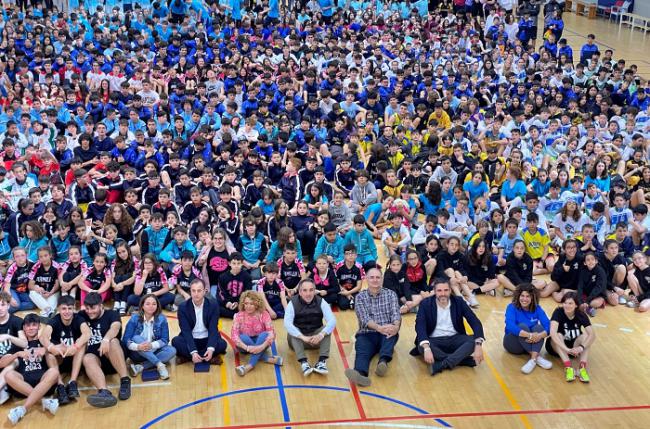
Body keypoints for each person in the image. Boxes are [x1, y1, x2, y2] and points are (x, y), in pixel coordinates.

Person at [412, 280, 485, 375]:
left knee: (473, 341)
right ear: (434, 291)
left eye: (446, 290)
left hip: (456, 338)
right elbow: (420, 325)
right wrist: (426, 348)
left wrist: (479, 345)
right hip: (434, 340)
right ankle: (461, 360)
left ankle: (443, 364)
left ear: (450, 290)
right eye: (439, 291)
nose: (443, 294)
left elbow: (474, 321)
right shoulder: (425, 304)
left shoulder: (459, 301)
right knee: (422, 347)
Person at [344, 268, 401, 387]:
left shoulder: (391, 294)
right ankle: (360, 374)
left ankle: (383, 362)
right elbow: (364, 318)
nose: (375, 280)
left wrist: (396, 326)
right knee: (362, 350)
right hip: (367, 333)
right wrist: (379, 328)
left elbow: (396, 313)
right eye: (372, 277)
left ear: (382, 279)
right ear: (366, 279)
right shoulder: (360, 297)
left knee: (389, 339)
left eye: (378, 277)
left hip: (387, 331)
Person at [4, 314, 60, 425]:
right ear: (23, 328)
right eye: (28, 325)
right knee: (8, 374)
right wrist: (17, 354)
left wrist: (47, 349)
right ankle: (43, 401)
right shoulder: (18, 345)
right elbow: (2, 363)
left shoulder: (44, 341)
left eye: (34, 325)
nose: (30, 328)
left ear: (39, 327)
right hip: (23, 385)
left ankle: (22, 409)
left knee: (54, 372)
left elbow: (61, 352)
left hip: (44, 383)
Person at [79, 292, 131, 408]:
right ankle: (104, 392)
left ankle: (125, 380)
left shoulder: (112, 314)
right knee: (87, 358)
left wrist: (106, 339)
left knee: (112, 342)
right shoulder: (82, 315)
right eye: (87, 308)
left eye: (93, 308)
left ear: (101, 305)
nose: (89, 311)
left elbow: (115, 327)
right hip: (98, 361)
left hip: (114, 356)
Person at [40, 295, 91, 405]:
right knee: (48, 352)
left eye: (70, 308)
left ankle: (73, 382)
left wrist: (75, 346)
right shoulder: (54, 320)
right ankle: (60, 385)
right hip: (60, 358)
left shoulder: (78, 319)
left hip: (75, 358)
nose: (67, 311)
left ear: (74, 309)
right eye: (64, 308)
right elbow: (43, 337)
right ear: (58, 309)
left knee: (82, 344)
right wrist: (52, 347)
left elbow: (87, 333)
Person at [284, 278, 337, 376]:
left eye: (311, 290)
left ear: (315, 291)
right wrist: (302, 337)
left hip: (316, 340)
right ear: (299, 292)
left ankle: (321, 362)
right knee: (293, 331)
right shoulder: (292, 303)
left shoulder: (321, 301)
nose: (308, 294)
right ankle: (304, 363)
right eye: (305, 290)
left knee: (326, 329)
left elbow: (332, 320)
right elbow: (287, 323)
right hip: (299, 341)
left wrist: (321, 335)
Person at [171, 279, 228, 366]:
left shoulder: (213, 305)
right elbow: (186, 331)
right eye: (193, 291)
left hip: (207, 338)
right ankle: (207, 357)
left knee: (222, 344)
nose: (196, 294)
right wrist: (193, 351)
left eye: (199, 290)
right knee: (175, 342)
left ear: (204, 291)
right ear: (190, 291)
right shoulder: (183, 307)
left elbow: (213, 328)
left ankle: (189, 357)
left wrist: (210, 348)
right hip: (191, 338)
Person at [122, 294, 176, 380]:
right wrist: (138, 346)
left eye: (154, 304)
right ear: (142, 306)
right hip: (138, 353)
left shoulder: (162, 319)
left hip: (154, 351)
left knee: (172, 350)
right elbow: (126, 339)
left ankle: (140, 367)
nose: (151, 306)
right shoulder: (134, 318)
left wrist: (151, 345)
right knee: (136, 338)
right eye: (148, 304)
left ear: (157, 306)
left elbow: (165, 340)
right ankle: (159, 365)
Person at [503, 283, 553, 374]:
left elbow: (548, 325)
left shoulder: (537, 308)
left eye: (528, 296)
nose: (524, 299)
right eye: (522, 296)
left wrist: (540, 335)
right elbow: (510, 325)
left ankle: (533, 360)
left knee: (539, 328)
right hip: (513, 344)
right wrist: (529, 335)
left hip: (529, 343)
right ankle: (537, 357)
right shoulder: (512, 307)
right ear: (518, 296)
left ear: (533, 298)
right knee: (522, 326)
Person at [231, 291, 283, 377]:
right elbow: (234, 336)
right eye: (246, 303)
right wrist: (247, 347)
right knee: (242, 337)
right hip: (244, 346)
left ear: (257, 304)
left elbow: (271, 333)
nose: (248, 306)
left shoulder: (264, 314)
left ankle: (249, 366)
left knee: (264, 335)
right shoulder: (239, 315)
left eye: (252, 304)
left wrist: (261, 347)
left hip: (261, 342)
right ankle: (269, 359)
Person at [546, 292, 595, 383]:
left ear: (576, 305)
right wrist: (566, 349)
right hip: (557, 347)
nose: (567, 306)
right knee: (558, 335)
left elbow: (592, 335)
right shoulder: (558, 312)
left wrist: (581, 348)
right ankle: (568, 367)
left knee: (585, 336)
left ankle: (582, 368)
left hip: (574, 348)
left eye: (570, 303)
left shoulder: (581, 315)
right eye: (565, 303)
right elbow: (552, 333)